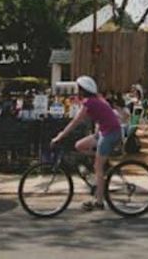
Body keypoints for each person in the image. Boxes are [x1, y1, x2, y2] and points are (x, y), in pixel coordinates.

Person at [50, 75, 122, 211]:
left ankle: (99, 202)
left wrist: (60, 136)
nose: (77, 91)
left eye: (78, 89)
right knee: (79, 146)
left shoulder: (89, 103)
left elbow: (75, 122)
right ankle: (101, 158)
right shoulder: (94, 100)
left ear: (83, 90)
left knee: (98, 168)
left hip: (110, 133)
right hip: (104, 132)